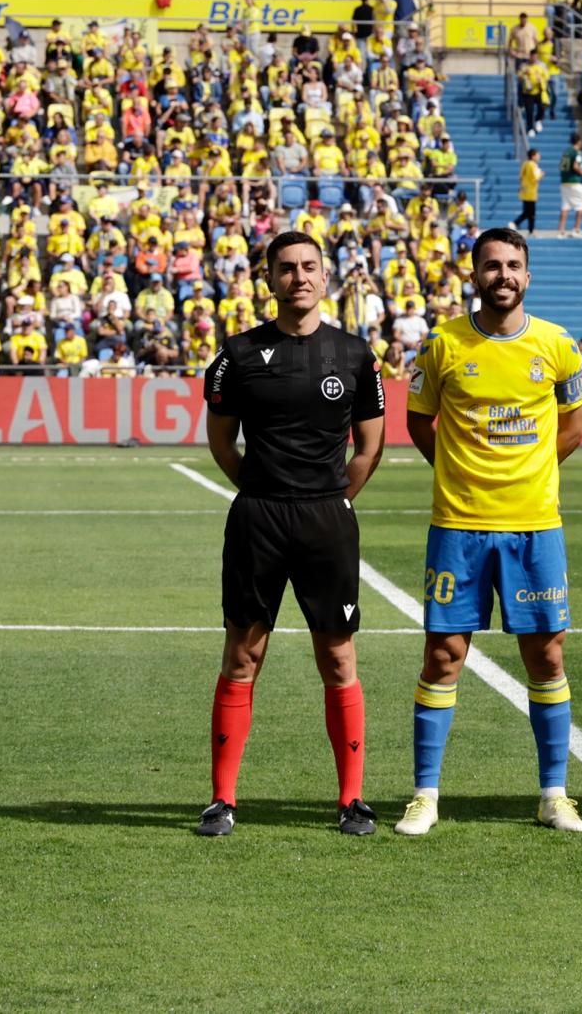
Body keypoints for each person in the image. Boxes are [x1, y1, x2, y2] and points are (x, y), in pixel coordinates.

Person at [395, 227, 582, 836]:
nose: (502, 275)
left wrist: (526, 475)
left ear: (527, 276)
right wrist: (462, 474)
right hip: (459, 526)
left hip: (535, 527)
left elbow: (575, 427)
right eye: (491, 266)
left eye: (513, 266)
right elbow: (420, 424)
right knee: (443, 656)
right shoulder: (441, 345)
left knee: (546, 655)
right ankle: (426, 796)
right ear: (474, 274)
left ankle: (554, 795)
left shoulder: (558, 347)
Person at [197, 230, 388, 838]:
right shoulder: (239, 354)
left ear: (324, 277)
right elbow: (222, 442)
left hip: (326, 521)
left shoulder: (355, 355)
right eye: (286, 268)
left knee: (337, 655)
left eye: (309, 267)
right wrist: (262, 488)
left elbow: (371, 444)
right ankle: (223, 800)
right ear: (270, 279)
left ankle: (351, 800)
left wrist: (332, 500)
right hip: (259, 517)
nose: (298, 277)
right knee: (243, 653)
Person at [557, 133, 582, 238]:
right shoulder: (577, 152)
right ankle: (576, 229)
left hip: (564, 181)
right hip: (574, 182)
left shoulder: (566, 152)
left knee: (565, 206)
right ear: (579, 141)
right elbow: (576, 166)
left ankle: (561, 231)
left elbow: (561, 166)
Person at [516, 149, 542, 233]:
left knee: (528, 212)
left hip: (525, 191)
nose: (539, 157)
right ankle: (516, 223)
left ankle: (530, 229)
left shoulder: (525, 164)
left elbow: (520, 177)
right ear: (533, 156)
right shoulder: (533, 165)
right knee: (531, 213)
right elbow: (535, 178)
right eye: (538, 155)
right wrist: (541, 174)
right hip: (531, 192)